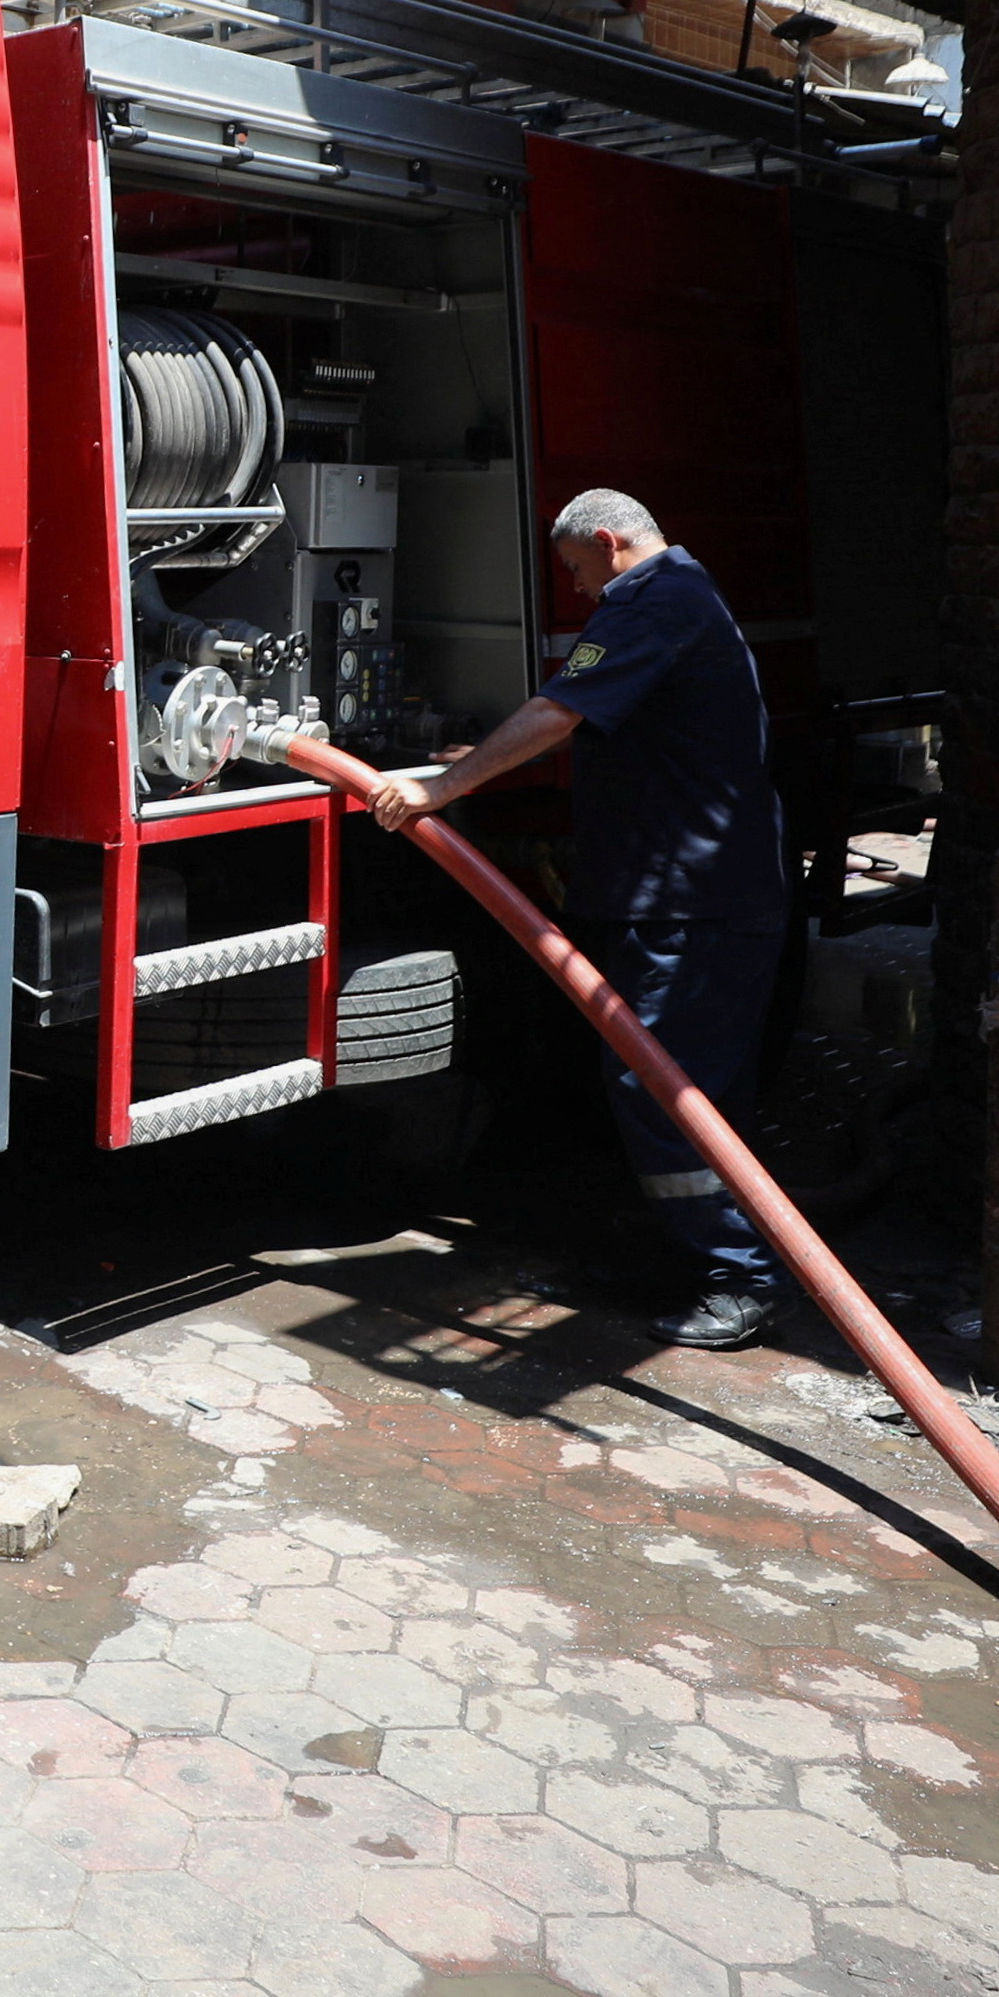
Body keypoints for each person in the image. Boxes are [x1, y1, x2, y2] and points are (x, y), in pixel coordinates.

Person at [366, 488, 793, 1351]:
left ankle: (740, 1279)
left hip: (689, 908)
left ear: (608, 542)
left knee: (668, 1091)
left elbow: (562, 709)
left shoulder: (652, 599)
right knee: (685, 1090)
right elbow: (621, 732)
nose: (574, 589)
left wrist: (443, 788)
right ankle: (700, 1258)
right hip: (692, 898)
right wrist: (480, 760)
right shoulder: (685, 596)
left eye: (573, 569)